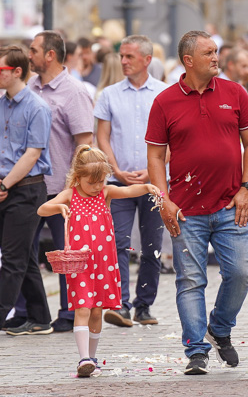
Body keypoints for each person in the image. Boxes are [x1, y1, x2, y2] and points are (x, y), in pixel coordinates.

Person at [146, 30, 248, 375]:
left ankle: (219, 329)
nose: (216, 58)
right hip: (185, 211)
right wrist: (163, 200)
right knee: (190, 281)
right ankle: (197, 350)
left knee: (240, 273)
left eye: (216, 52)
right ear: (188, 60)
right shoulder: (165, 101)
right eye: (209, 53)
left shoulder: (234, 93)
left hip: (230, 205)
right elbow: (155, 156)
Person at [39, 146, 160, 377]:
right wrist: (59, 207)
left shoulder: (105, 193)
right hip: (80, 265)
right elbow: (42, 210)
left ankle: (92, 358)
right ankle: (83, 357)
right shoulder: (70, 195)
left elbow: (129, 191)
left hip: (103, 264)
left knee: (96, 311)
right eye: (91, 182)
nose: (96, 187)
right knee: (82, 308)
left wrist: (146, 186)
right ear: (77, 177)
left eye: (100, 181)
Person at [0, 45, 53, 339]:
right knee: (21, 256)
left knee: (13, 259)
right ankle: (41, 317)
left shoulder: (37, 107)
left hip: (28, 189)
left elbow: (33, 153)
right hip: (1, 187)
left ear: (17, 71)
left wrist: (4, 185)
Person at [20, 30, 94, 333]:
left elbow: (84, 144)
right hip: (31, 185)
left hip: (63, 189)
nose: (29, 55)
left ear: (50, 54)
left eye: (34, 50)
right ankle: (30, 313)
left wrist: (72, 186)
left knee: (70, 257)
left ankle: (69, 314)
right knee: (24, 252)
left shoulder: (74, 92)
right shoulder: (29, 88)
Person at [94, 35, 168, 328]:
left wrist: (153, 171)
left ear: (147, 60)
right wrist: (116, 169)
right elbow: (102, 136)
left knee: (152, 246)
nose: (123, 61)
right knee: (118, 244)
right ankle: (121, 304)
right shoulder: (109, 94)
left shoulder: (164, 93)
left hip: (153, 182)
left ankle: (144, 305)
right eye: (122, 56)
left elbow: (173, 139)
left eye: (129, 57)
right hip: (118, 181)